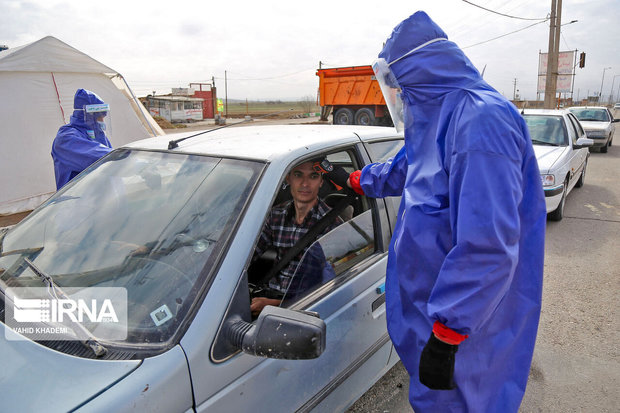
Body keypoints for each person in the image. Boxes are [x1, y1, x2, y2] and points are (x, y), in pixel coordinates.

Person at [321, 11, 546, 413]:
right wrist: (355, 180)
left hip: (468, 332)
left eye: (401, 88)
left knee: (465, 404)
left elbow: (488, 247)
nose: (400, 98)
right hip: (439, 320)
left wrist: (446, 335)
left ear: (420, 76)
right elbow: (407, 168)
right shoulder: (440, 116)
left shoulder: (481, 123)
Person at [250, 160, 342, 316]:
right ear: (288, 179)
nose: (305, 184)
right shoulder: (275, 215)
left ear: (321, 182)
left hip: (305, 307)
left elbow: (330, 288)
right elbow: (248, 254)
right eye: (298, 175)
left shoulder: (333, 225)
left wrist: (276, 306)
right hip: (269, 296)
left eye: (313, 176)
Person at [51, 88, 113, 190]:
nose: (102, 121)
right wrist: (129, 158)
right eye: (99, 117)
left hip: (101, 200)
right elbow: (104, 158)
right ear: (88, 116)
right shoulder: (66, 138)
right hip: (77, 201)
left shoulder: (97, 134)